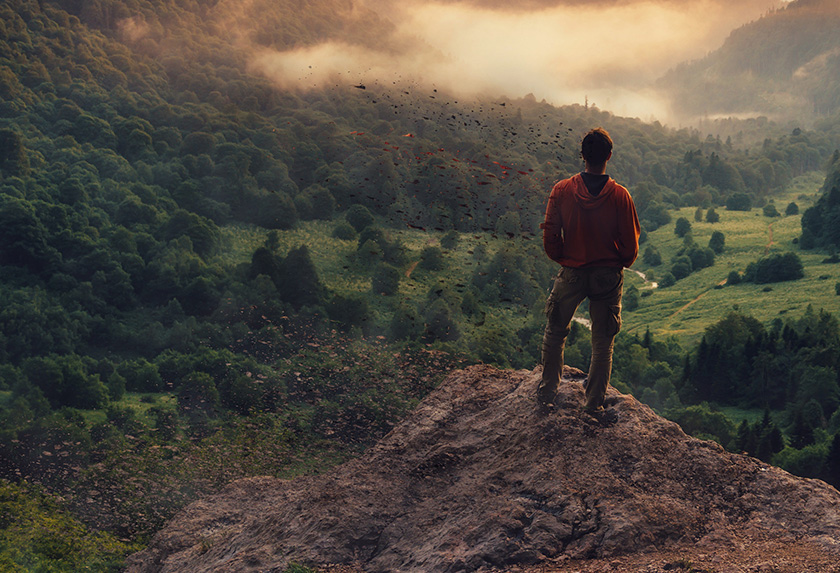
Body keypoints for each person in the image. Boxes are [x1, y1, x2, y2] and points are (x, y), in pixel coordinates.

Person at [537, 127, 640, 413]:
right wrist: (615, 262)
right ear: (609, 156)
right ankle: (593, 404)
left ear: (582, 155)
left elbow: (549, 236)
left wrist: (565, 258)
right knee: (602, 343)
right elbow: (631, 248)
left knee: (555, 332)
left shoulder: (562, 190)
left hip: (571, 271)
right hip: (607, 275)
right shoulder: (620, 197)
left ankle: (546, 393)